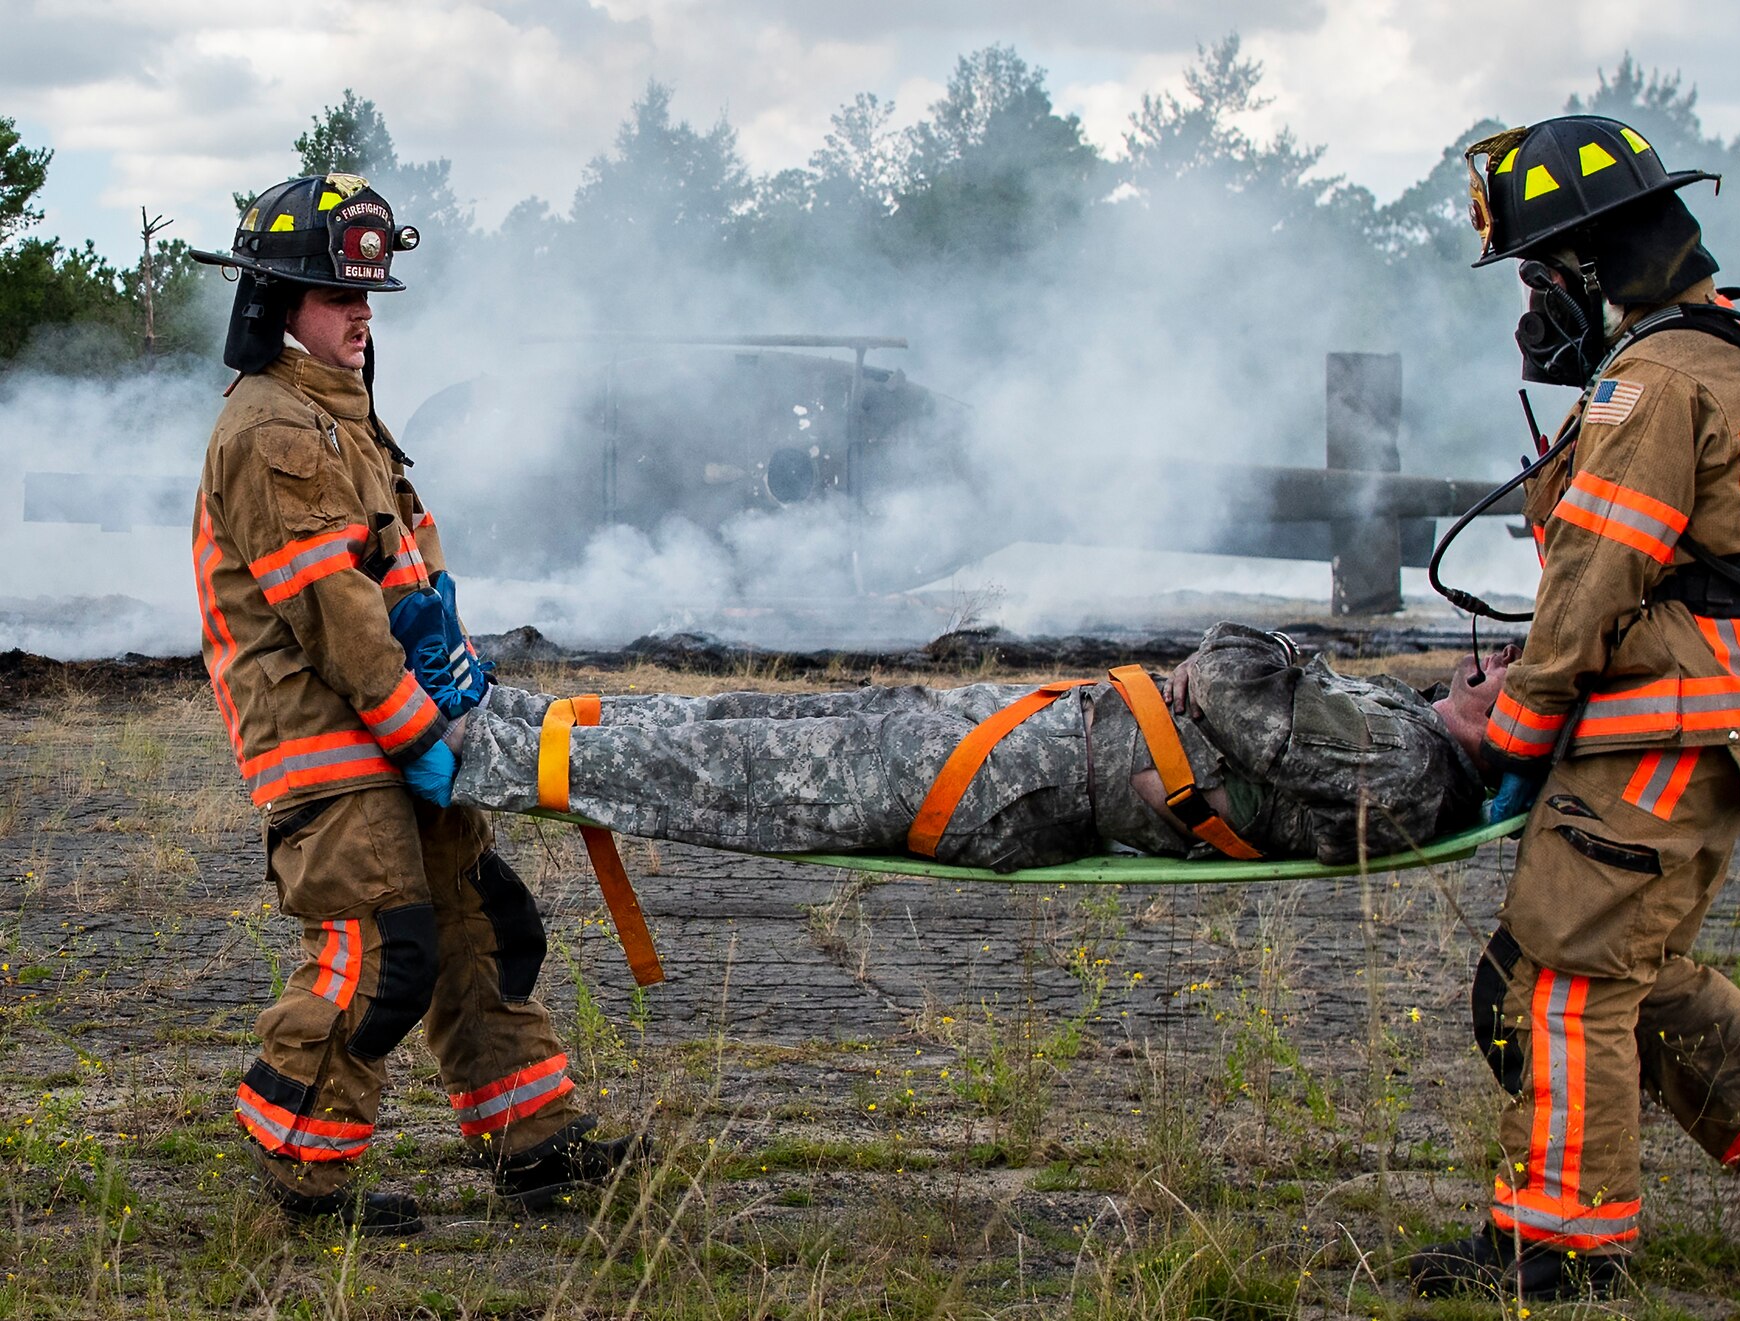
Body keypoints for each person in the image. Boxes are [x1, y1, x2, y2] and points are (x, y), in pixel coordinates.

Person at [1408, 117, 1740, 1301]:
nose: (1532, 308)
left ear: (1585, 263)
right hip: (1708, 725)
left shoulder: (1654, 380)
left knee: (1565, 976)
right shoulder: (1721, 351)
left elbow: (1593, 580)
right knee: (1634, 956)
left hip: (1660, 725)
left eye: (1537, 276)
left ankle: (1561, 1242)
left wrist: (1513, 727)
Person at [189, 175, 634, 1235]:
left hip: (398, 731)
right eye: (336, 295)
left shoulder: (346, 423)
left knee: (484, 924)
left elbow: (405, 589)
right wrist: (421, 731)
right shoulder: (273, 431)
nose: (363, 311)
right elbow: (333, 614)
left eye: (368, 293)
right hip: (329, 745)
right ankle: (299, 1170)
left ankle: (535, 1142)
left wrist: (459, 692)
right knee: (381, 956)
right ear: (272, 302)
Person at [431, 623, 1504, 870]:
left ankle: (477, 753)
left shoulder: (1406, 763)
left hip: (1026, 779)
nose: (1490, 657)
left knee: (743, 775)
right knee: (753, 719)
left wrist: (1252, 652)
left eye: (1511, 668)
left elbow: (1228, 683)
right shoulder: (1403, 728)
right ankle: (516, 716)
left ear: (1516, 726)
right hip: (1040, 732)